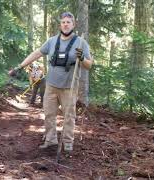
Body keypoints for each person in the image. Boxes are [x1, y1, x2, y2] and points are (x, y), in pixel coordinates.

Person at [9, 12, 93, 152]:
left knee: (69, 116)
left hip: (69, 87)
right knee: (49, 114)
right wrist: (20, 66)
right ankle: (50, 140)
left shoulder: (81, 43)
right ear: (60, 24)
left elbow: (89, 65)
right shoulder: (52, 41)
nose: (66, 24)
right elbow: (37, 53)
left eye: (68, 22)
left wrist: (82, 58)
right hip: (51, 86)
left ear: (73, 24)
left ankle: (67, 143)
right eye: (63, 22)